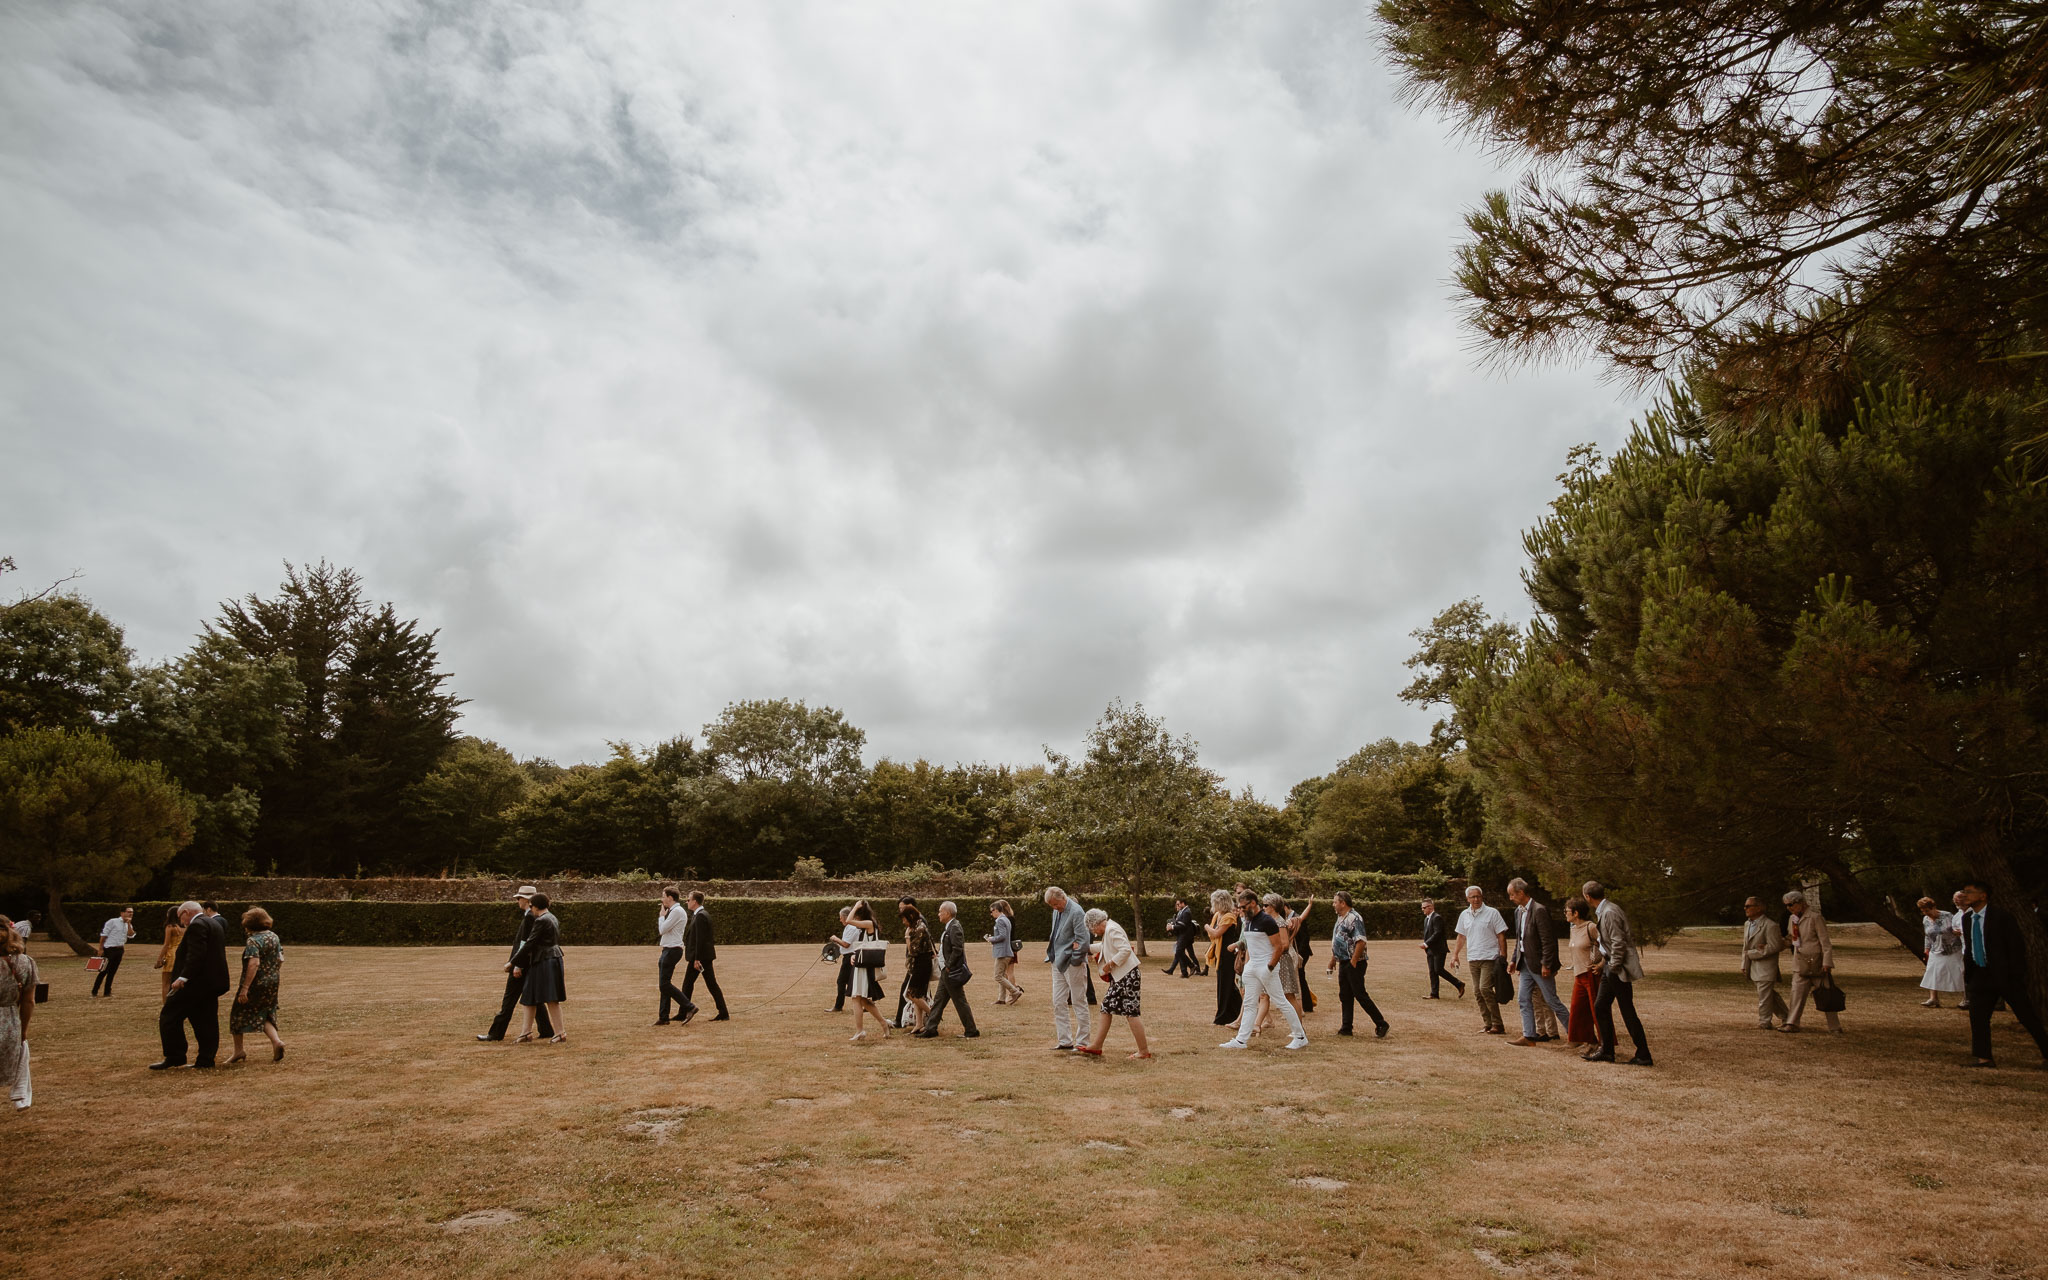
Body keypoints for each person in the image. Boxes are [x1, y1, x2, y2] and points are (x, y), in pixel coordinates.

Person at [1958, 879, 2048, 1068]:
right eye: (1963, 892)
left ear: (1983, 895)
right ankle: (1984, 1058)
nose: (1965, 895)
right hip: (1980, 974)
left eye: (1969, 892)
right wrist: (1970, 974)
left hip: (2004, 975)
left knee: (2026, 1016)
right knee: (1978, 1017)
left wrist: (2014, 974)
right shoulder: (1967, 919)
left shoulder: (2001, 916)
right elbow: (1970, 947)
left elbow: (2015, 946)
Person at [1220, 889, 1307, 1051]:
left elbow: (1279, 946)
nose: (1241, 910)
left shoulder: (1267, 921)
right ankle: (1241, 1040)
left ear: (1253, 903)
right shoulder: (1248, 920)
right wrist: (1247, 965)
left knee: (1281, 1001)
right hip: (1252, 968)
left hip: (1266, 967)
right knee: (1249, 1002)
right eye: (1239, 907)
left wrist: (1270, 967)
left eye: (1243, 907)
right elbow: (1250, 944)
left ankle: (1300, 1036)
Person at [153, 900, 229, 1070]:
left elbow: (196, 954)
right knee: (206, 1020)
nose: (181, 922)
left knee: (169, 1017)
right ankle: (206, 1059)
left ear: (186, 912)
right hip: (211, 982)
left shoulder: (197, 925)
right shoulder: (214, 923)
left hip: (195, 983)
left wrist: (183, 977)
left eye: (181, 917)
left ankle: (175, 1056)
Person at [1583, 881, 1651, 1066]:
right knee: (1601, 1006)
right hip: (1610, 966)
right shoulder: (1607, 910)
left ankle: (1643, 1054)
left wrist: (1613, 966)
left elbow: (1618, 942)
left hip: (1615, 968)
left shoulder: (1610, 912)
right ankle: (1607, 1051)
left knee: (1626, 1010)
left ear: (1587, 897)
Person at [479, 886, 553, 1041]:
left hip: (522, 964)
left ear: (526, 899)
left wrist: (516, 965)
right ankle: (546, 1029)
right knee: (534, 998)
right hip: (529, 963)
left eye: (519, 898)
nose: (517, 901)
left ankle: (495, 1033)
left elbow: (525, 943)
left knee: (509, 1000)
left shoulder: (529, 917)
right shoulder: (534, 916)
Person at [1079, 908, 1150, 1059]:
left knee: (1131, 1013)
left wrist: (1110, 964)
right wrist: (1085, 948)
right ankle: (1097, 1045)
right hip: (1123, 977)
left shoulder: (1111, 930)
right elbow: (1105, 946)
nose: (1094, 933)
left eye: (1092, 929)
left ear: (1096, 923)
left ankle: (1143, 1051)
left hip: (1127, 976)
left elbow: (1125, 950)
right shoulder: (1110, 929)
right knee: (1107, 1008)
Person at [1506, 879, 1569, 1045]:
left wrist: (1546, 964)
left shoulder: (1539, 910)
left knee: (1551, 1001)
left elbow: (1548, 941)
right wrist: (1514, 960)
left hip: (1540, 965)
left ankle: (1576, 1034)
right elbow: (1520, 939)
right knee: (1523, 999)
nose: (1510, 898)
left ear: (1521, 893)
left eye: (1512, 894)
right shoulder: (1518, 912)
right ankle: (1529, 1036)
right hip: (1525, 964)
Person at [227, 907, 285, 1064]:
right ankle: (276, 1041)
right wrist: (272, 973)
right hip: (273, 981)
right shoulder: (274, 936)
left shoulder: (253, 940)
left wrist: (245, 988)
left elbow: (254, 963)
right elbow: (280, 958)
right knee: (264, 1011)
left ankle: (238, 1051)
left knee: (237, 1014)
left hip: (255, 983)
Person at [1327, 891, 1388, 1038]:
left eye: (1335, 902)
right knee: (1345, 995)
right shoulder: (1340, 918)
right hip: (1343, 961)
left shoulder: (1354, 918)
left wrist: (1353, 961)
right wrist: (1333, 959)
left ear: (1343, 903)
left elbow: (1360, 941)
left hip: (1355, 963)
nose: (1333, 904)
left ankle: (1381, 1023)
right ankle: (1346, 1027)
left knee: (1360, 994)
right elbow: (1338, 940)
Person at [509, 893, 567, 1044]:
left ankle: (560, 1033)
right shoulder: (552, 917)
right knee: (529, 996)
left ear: (534, 906)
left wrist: (513, 962)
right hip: (548, 959)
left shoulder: (541, 920)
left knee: (551, 997)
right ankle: (526, 1032)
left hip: (544, 960)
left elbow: (530, 943)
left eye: (531, 906)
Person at [918, 901, 980, 1039]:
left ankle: (971, 1030)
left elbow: (958, 950)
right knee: (939, 1000)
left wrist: (948, 966)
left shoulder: (954, 927)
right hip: (945, 971)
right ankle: (931, 1028)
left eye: (940, 911)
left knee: (959, 1001)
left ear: (947, 913)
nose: (938, 914)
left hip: (950, 972)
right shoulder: (950, 926)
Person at [1451, 886, 1508, 1034]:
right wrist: (1455, 954)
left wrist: (1503, 956)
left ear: (1482, 897)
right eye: (1472, 897)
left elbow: (1501, 935)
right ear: (1467, 899)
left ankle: (1498, 1024)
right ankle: (1487, 1023)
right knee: (1477, 992)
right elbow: (1461, 936)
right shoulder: (1464, 915)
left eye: (1478, 896)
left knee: (1485, 989)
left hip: (1490, 957)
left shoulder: (1492, 913)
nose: (1476, 899)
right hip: (1473, 958)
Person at [1781, 890, 1839, 1034]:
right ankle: (1792, 1023)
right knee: (1796, 994)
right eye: (1786, 905)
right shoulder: (1792, 919)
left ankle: (1834, 1026)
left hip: (1817, 963)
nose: (1789, 908)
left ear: (1801, 903)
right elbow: (1791, 938)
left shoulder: (1815, 917)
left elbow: (1825, 942)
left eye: (1791, 904)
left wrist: (1827, 962)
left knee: (1826, 994)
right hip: (1800, 963)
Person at [835, 899, 891, 1042]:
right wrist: (854, 955)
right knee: (864, 1000)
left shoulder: (869, 923)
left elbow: (848, 920)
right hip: (861, 964)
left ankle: (860, 1031)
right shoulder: (867, 925)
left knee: (856, 998)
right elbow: (864, 945)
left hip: (864, 967)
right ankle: (884, 1024)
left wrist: (855, 906)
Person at [1045, 887, 1092, 1050]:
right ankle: (1064, 1041)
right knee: (1058, 1001)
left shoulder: (1077, 912)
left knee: (1079, 1001)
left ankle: (1082, 1042)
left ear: (1063, 898)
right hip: (1057, 962)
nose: (1054, 908)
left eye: (1056, 904)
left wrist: (1075, 960)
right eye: (1052, 905)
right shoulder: (1056, 911)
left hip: (1073, 964)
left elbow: (1083, 940)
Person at [0, 915, 35, 1111]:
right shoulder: (25, 962)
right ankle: (20, 1096)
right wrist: (23, 1030)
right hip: (10, 1021)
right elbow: (28, 1001)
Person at [1740, 895, 1788, 1030]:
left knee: (1764, 996)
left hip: (1766, 967)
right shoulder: (1747, 924)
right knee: (1769, 995)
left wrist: (1753, 953)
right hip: (1754, 967)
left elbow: (1775, 946)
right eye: (1745, 906)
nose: (1745, 908)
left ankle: (1764, 1022)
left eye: (1748, 906)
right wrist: (1744, 964)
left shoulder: (1770, 925)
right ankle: (1788, 1017)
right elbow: (1745, 946)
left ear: (1759, 908)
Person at [681, 891, 728, 1022]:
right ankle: (723, 1012)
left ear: (695, 901)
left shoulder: (700, 916)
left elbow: (700, 940)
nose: (687, 902)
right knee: (707, 984)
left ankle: (684, 1011)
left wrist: (697, 959)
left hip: (701, 958)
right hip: (703, 956)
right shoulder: (700, 914)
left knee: (689, 984)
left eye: (688, 899)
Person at [1562, 898, 1600, 1049]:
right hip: (1578, 975)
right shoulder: (1573, 929)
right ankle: (1580, 1039)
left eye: (1567, 911)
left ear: (1576, 913)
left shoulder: (1591, 927)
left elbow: (1607, 946)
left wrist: (1601, 965)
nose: (1565, 913)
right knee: (1577, 1009)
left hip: (1591, 974)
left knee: (1596, 1010)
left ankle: (1604, 1042)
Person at [1917, 896, 1965, 1009]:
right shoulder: (1926, 920)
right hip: (1936, 949)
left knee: (1959, 971)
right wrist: (1926, 949)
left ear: (1933, 907)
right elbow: (1927, 936)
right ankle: (1933, 998)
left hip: (1952, 948)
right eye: (1923, 911)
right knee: (1932, 972)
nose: (1925, 913)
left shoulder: (1947, 916)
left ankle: (1965, 998)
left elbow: (1956, 927)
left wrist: (1956, 933)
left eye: (1927, 910)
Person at [655, 887, 693, 1025]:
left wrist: (661, 916)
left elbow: (662, 930)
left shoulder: (677, 911)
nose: (662, 899)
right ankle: (663, 1017)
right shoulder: (674, 911)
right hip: (669, 949)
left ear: (670, 898)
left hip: (672, 950)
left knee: (664, 985)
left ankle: (689, 1006)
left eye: (663, 896)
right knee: (664, 984)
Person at [1206, 890, 1242, 1027]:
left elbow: (1216, 933)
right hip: (1219, 953)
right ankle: (1236, 1012)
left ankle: (1222, 1016)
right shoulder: (1218, 915)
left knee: (1226, 985)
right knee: (1227, 985)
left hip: (1227, 954)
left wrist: (1206, 927)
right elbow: (1214, 934)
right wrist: (1211, 929)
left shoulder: (1229, 917)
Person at [898, 900, 935, 1032]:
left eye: (904, 919)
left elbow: (913, 950)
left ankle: (933, 1015)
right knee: (917, 994)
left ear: (911, 916)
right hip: (920, 964)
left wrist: (907, 937)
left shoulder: (919, 928)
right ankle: (919, 1024)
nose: (903, 922)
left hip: (922, 964)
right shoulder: (917, 927)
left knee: (911, 994)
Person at [1420, 898, 1464, 998]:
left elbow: (1437, 933)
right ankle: (1434, 994)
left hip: (1439, 949)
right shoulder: (1426, 919)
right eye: (1422, 908)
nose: (1422, 909)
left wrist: (1426, 944)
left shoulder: (1437, 918)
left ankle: (1459, 984)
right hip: (1430, 950)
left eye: (1424, 907)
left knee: (1438, 970)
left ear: (1430, 907)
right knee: (1432, 971)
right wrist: (1427, 947)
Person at [90, 907, 134, 997]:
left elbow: (131, 934)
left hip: (120, 949)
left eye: (132, 912)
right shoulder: (113, 922)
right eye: (128, 912)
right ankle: (94, 991)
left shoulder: (128, 924)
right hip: (109, 949)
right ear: (122, 913)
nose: (130, 914)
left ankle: (107, 992)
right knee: (104, 971)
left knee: (112, 972)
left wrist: (129, 924)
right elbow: (103, 935)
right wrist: (100, 949)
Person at [986, 901, 1022, 1004]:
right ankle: (1001, 999)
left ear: (996, 910)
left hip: (1003, 952)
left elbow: (1003, 936)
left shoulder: (1000, 921)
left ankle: (1015, 991)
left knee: (998, 976)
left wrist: (991, 939)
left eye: (991, 911)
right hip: (1006, 951)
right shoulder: (1006, 919)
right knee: (1003, 975)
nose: (991, 913)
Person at [154, 904, 186, 1001]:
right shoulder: (185, 927)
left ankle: (166, 1005)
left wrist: (159, 959)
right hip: (182, 954)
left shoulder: (170, 927)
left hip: (171, 955)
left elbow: (166, 944)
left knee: (166, 983)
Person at [1165, 896, 1203, 977]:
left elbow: (1184, 926)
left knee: (1179, 952)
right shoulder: (1181, 911)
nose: (1177, 906)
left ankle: (1192, 966)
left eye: (1178, 904)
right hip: (1181, 935)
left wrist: (1172, 927)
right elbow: (1179, 923)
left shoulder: (1187, 912)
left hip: (1185, 936)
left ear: (1183, 903)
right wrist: (1171, 924)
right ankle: (1184, 972)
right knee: (1179, 952)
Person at [1952, 889, 1976, 1010]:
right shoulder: (1957, 916)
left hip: (1978, 949)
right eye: (1955, 898)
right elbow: (1955, 930)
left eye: (1960, 897)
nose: (1956, 900)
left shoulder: (1975, 913)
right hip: (1965, 949)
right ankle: (1967, 999)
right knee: (1965, 973)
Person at [832, 906, 856, 1012]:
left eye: (841, 917)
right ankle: (867, 1003)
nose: (840, 919)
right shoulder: (850, 927)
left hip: (849, 958)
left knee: (841, 981)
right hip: (849, 956)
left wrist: (835, 939)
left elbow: (846, 944)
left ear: (846, 917)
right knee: (854, 982)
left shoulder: (851, 928)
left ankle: (838, 1006)